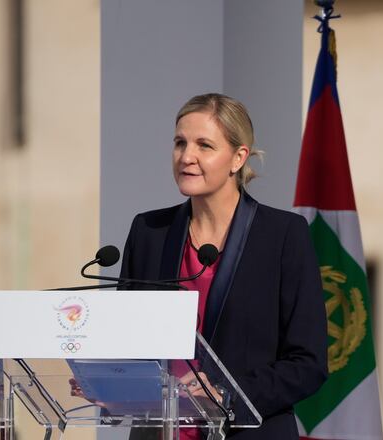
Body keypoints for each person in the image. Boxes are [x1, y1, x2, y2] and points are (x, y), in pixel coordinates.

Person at [119, 93, 328, 439]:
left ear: (238, 157)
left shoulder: (282, 236)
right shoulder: (148, 232)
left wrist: (228, 395)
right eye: (179, 143)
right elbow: (128, 339)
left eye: (204, 146)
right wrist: (108, 380)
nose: (187, 157)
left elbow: (308, 363)